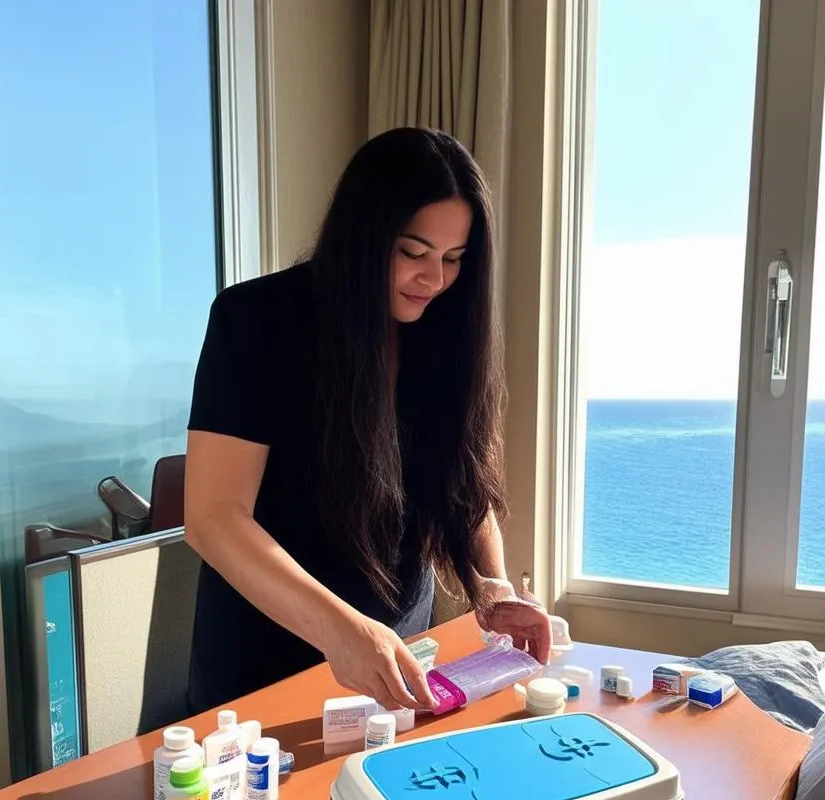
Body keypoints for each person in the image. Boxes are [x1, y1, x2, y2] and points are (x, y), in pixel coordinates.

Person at [184, 127, 551, 716]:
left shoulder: (443, 333)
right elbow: (212, 517)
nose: (433, 281)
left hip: (401, 653)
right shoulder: (254, 321)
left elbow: (463, 484)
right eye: (413, 252)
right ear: (363, 235)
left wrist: (492, 585)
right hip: (263, 666)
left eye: (453, 260)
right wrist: (342, 630)